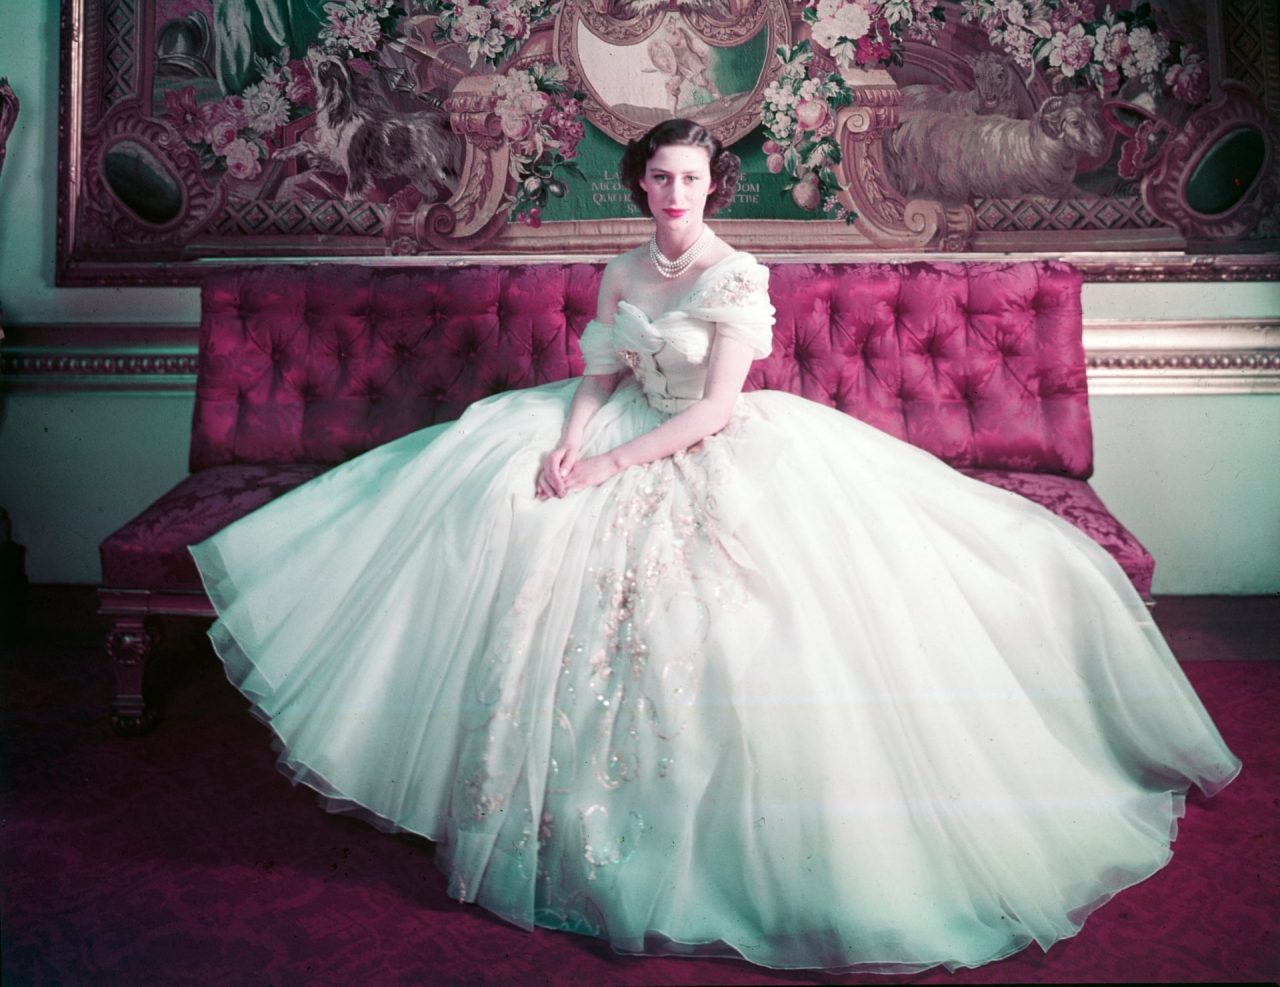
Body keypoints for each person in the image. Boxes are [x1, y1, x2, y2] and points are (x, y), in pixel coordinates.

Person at [191, 119, 1240, 974]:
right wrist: (566, 444)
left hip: (708, 438)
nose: (673, 192)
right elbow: (600, 370)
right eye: (658, 177)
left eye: (689, 177)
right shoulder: (619, 270)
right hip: (607, 421)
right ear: (639, 187)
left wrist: (609, 468)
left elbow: (713, 411)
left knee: (729, 615)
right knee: (498, 508)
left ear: (711, 188)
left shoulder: (737, 279)